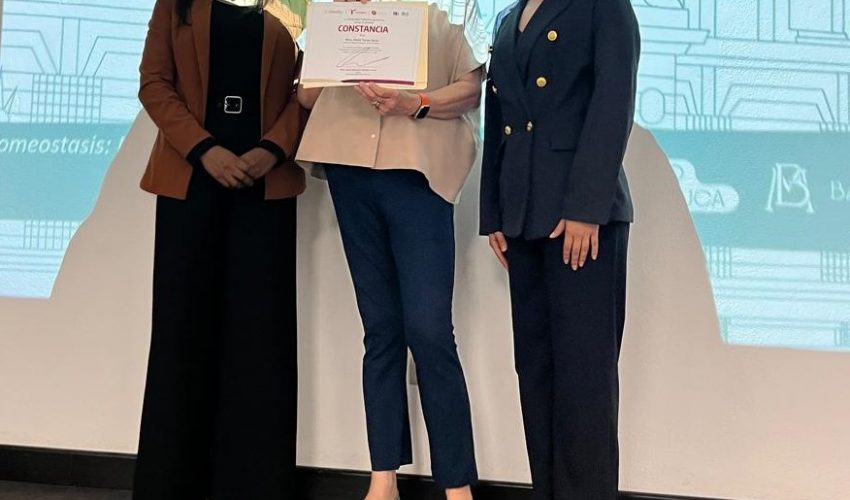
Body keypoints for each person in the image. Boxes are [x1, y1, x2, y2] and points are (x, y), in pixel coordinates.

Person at [296, 2, 483, 499]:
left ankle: (457, 484)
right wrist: (336, 54)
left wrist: (414, 103)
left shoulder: (442, 16)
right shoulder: (338, 15)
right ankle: (383, 477)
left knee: (430, 331)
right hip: (350, 172)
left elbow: (470, 90)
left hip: (418, 177)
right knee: (380, 328)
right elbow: (306, 95)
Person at [132, 0, 306, 498]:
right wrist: (205, 149)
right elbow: (154, 84)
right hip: (190, 185)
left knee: (261, 340)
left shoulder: (295, 8)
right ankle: (171, 484)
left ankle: (256, 485)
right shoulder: (176, 5)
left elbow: (306, 94)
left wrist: (271, 149)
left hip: (265, 187)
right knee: (182, 334)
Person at [480, 0, 640, 498]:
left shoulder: (602, 7)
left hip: (581, 217)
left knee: (584, 381)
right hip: (523, 215)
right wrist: (494, 213)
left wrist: (587, 208)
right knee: (536, 373)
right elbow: (499, 116)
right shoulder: (508, 18)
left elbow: (613, 102)